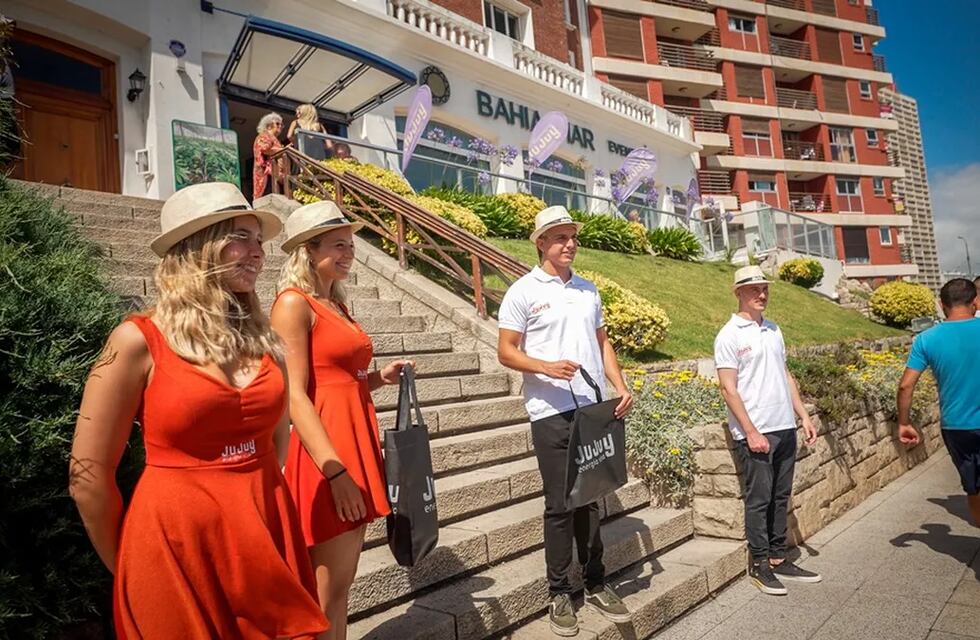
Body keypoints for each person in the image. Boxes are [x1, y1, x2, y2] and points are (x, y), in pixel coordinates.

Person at [68, 182, 328, 638]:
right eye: (239, 238)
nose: (257, 253)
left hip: (264, 530)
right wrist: (133, 565)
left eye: (258, 241)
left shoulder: (264, 340)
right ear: (197, 249)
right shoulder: (136, 341)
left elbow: (276, 445)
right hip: (175, 545)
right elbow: (87, 477)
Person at [272, 200, 411, 640]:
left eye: (350, 244)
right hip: (327, 456)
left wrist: (376, 380)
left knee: (341, 585)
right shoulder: (293, 304)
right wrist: (335, 473)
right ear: (308, 251)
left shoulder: (334, 303)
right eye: (338, 245)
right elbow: (294, 394)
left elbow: (337, 382)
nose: (349, 252)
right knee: (324, 592)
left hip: (354, 443)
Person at [497, 205, 635, 637]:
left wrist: (620, 384)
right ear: (541, 243)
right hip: (549, 412)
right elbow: (506, 351)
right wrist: (545, 366)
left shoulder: (588, 290)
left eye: (572, 236)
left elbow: (602, 342)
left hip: (592, 409)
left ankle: (595, 580)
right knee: (560, 504)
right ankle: (559, 591)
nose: (569, 243)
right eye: (559, 237)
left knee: (591, 498)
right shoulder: (522, 291)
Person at [714, 265, 821, 596]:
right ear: (739, 293)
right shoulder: (729, 335)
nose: (761, 295)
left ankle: (778, 557)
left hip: (784, 427)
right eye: (753, 289)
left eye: (765, 289)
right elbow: (727, 388)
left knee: (780, 496)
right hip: (757, 433)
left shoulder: (774, 330)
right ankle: (759, 564)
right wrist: (751, 431)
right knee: (759, 500)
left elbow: (786, 375)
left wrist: (802, 415)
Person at [897, 278, 980, 526]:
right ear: (974, 302)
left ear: (942, 305)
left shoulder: (926, 339)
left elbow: (905, 385)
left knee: (973, 488)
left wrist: (904, 422)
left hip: (957, 427)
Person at [254, 112, 285, 198]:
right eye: (277, 123)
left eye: (281, 124)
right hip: (267, 174)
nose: (280, 126)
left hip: (276, 174)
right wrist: (282, 150)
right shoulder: (264, 136)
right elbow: (264, 149)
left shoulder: (274, 138)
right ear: (268, 125)